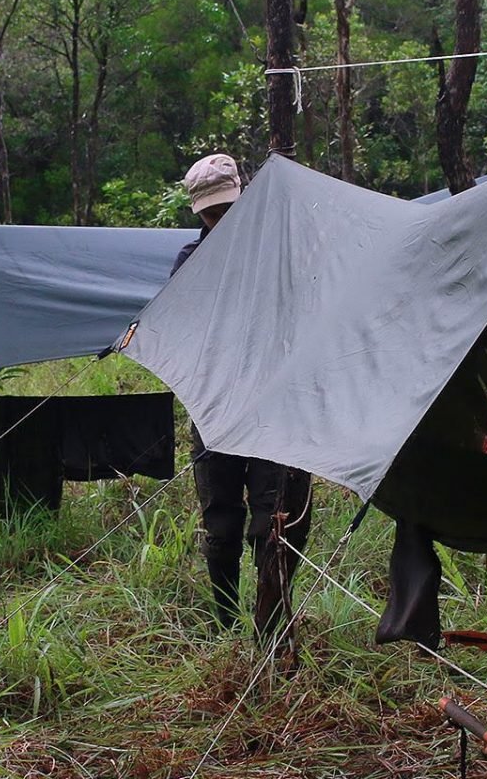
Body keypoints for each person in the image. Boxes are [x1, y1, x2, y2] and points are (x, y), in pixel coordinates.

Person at [175, 154, 313, 630]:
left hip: (274, 408)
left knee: (272, 519)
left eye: (229, 208)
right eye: (213, 214)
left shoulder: (278, 252)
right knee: (221, 523)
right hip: (213, 410)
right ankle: (225, 624)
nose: (223, 220)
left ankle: (271, 627)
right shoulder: (190, 263)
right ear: (198, 213)